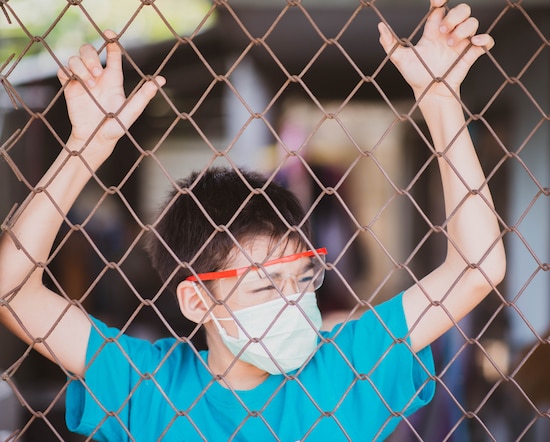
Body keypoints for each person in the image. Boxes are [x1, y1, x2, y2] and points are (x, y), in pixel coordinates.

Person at [0, 0, 505, 440]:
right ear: (197, 300)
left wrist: (441, 101)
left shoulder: (345, 367)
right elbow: (11, 293)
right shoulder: (149, 388)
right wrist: (85, 149)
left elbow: (477, 268)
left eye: (302, 277)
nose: (294, 301)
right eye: (266, 287)